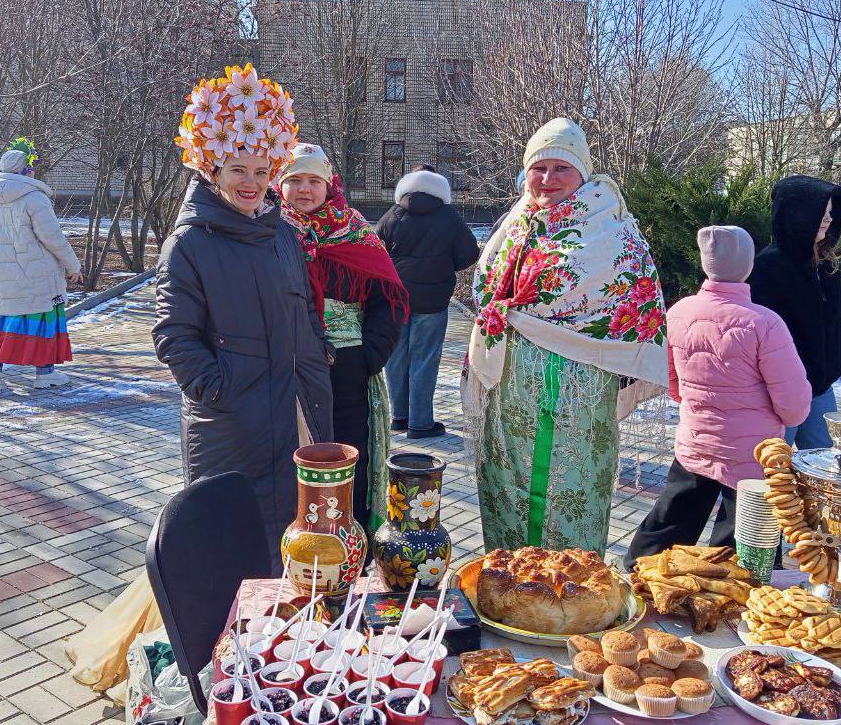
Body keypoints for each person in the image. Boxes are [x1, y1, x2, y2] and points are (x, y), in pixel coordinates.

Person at [66, 64, 331, 699]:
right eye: (237, 169)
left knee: (293, 533)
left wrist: (316, 369)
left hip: (295, 410)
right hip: (231, 420)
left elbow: (301, 315)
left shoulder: (280, 236)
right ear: (210, 169)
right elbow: (173, 335)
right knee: (233, 546)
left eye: (261, 171)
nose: (251, 183)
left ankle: (286, 654)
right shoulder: (190, 242)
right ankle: (222, 669)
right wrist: (219, 389)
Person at [464, 118, 668, 555]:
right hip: (510, 387)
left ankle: (570, 589)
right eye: (539, 168)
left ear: (583, 174)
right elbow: (486, 287)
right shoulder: (516, 222)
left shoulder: (610, 228)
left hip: (578, 390)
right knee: (508, 484)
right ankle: (508, 582)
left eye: (561, 168)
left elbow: (638, 297)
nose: (548, 179)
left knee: (566, 491)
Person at [625, 226, 811, 564]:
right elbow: (795, 405)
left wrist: (695, 405)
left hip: (695, 441)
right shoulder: (765, 324)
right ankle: (736, 605)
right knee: (745, 544)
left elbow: (670, 378)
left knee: (669, 523)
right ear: (748, 264)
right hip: (752, 455)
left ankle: (639, 581)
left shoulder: (679, 312)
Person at [277, 142, 407, 534]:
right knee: (296, 460)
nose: (305, 189)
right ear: (279, 185)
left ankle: (351, 546)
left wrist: (369, 356)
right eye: (294, 179)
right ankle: (300, 546)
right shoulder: (271, 232)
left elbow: (388, 298)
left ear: (329, 183)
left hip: (349, 369)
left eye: (314, 180)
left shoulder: (356, 233)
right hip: (288, 368)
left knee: (352, 457)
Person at [748, 175, 841, 450]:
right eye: (822, 211)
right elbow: (759, 337)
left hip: (819, 386)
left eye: (832, 212)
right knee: (772, 472)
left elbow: (832, 319)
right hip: (779, 392)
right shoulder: (767, 267)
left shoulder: (825, 262)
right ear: (798, 213)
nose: (829, 219)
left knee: (825, 465)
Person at [377, 166, 479, 439]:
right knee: (425, 358)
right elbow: (470, 253)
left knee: (395, 356)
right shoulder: (448, 216)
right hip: (433, 300)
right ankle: (420, 423)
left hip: (395, 297)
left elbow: (374, 250)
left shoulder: (394, 214)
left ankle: (398, 417)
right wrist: (444, 266)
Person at [0, 138, 82, 390]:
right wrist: (73, 266)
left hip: (2, 273)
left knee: (4, 319)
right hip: (37, 272)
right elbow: (53, 238)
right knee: (43, 318)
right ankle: (45, 374)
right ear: (25, 170)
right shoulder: (34, 198)